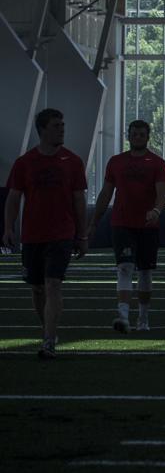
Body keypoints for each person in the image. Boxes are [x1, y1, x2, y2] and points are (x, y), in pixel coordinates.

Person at [2, 108, 87, 359]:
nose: (62, 129)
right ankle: (47, 329)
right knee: (37, 288)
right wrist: (8, 227)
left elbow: (79, 200)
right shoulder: (24, 163)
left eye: (63, 125)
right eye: (56, 125)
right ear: (42, 130)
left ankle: (49, 340)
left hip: (61, 233)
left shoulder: (72, 161)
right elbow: (14, 198)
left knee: (53, 284)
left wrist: (81, 235)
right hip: (32, 235)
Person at [87, 119, 165, 332]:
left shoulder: (157, 163)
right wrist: (94, 222)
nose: (138, 137)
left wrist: (157, 211)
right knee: (124, 267)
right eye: (134, 134)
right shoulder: (116, 162)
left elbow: (162, 194)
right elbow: (106, 193)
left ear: (147, 136)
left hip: (147, 226)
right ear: (129, 136)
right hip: (122, 224)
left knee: (145, 272)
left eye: (142, 134)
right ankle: (123, 316)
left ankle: (143, 319)